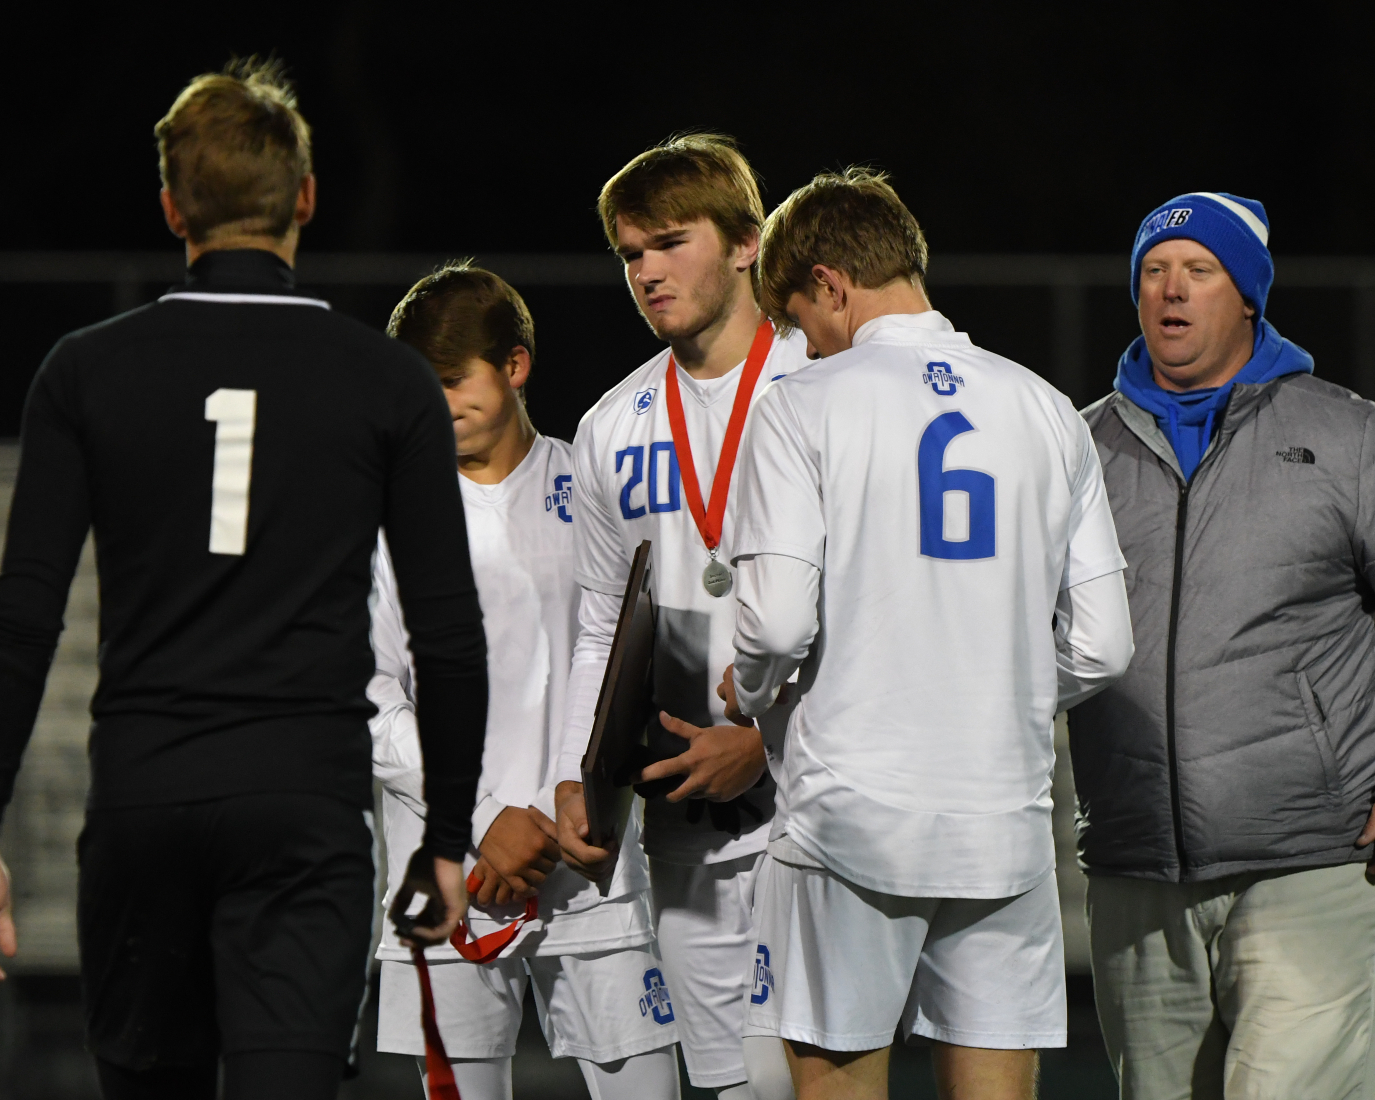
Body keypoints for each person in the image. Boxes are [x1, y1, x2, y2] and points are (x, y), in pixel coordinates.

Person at [0, 60, 487, 1100]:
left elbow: (22, 622)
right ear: (304, 197)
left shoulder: (84, 370)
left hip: (143, 796)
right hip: (301, 809)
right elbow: (448, 631)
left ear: (172, 206)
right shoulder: (384, 377)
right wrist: (447, 841)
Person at [723, 168, 1134, 1100]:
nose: (798, 343)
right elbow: (1106, 645)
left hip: (848, 811)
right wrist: (1005, 681)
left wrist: (749, 695)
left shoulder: (800, 404)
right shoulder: (1045, 407)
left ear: (828, 284)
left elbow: (779, 621)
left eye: (794, 319)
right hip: (1002, 818)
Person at [1072, 192, 1375, 1100]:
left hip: (1313, 855)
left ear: (1247, 295)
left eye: (1199, 271)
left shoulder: (1353, 439)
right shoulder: (1074, 448)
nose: (1171, 290)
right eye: (1153, 272)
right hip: (1137, 862)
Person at [368, 264, 682, 1100]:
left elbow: (632, 663)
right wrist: (483, 822)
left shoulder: (599, 486)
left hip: (589, 864)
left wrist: (565, 807)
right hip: (449, 873)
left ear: (514, 366)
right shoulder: (385, 516)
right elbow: (368, 702)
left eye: (450, 382)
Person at [551, 134, 810, 1100]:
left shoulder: (821, 387)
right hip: (683, 821)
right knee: (731, 1088)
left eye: (669, 242)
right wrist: (582, 774)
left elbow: (871, 605)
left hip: (810, 811)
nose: (647, 271)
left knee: (801, 1082)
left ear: (748, 244)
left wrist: (765, 740)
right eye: (629, 254)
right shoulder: (611, 427)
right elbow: (598, 630)